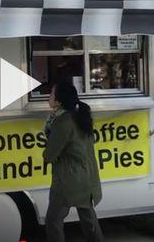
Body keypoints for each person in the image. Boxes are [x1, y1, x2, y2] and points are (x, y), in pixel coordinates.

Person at [43, 81, 104, 242]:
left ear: (59, 101)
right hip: (87, 178)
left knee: (53, 221)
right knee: (89, 222)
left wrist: (48, 135)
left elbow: (49, 156)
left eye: (51, 94)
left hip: (68, 182)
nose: (48, 97)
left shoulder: (62, 122)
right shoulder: (79, 116)